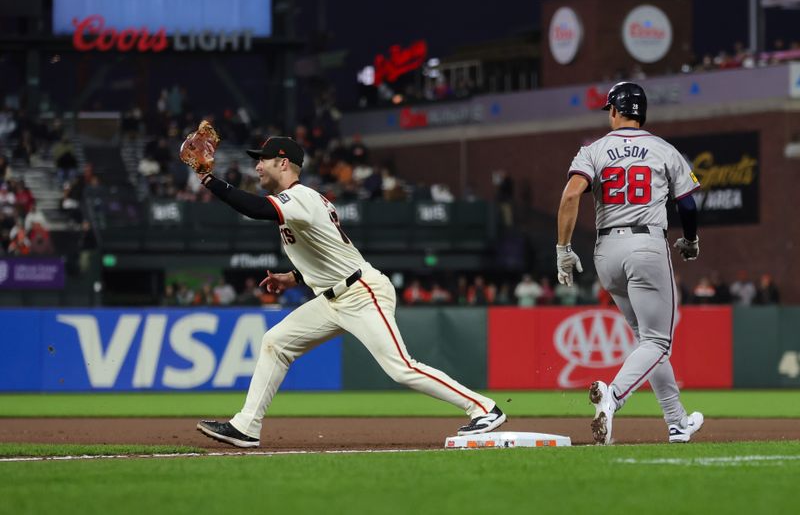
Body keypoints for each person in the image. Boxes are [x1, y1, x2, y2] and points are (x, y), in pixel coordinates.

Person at [193, 136, 505, 448]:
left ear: (284, 163)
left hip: (360, 292)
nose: (257, 166)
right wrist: (294, 276)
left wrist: (209, 179)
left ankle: (484, 409)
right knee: (276, 342)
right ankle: (247, 425)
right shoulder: (299, 201)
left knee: (401, 368)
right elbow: (327, 252)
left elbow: (256, 209)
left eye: (263, 159)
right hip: (332, 298)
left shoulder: (300, 196)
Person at [555, 82, 704, 445]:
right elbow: (687, 204)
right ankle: (614, 395)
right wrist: (690, 239)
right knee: (657, 342)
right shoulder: (664, 149)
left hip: (606, 251)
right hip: (646, 244)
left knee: (646, 341)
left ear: (614, 111)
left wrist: (563, 248)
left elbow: (572, 194)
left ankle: (677, 421)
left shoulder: (594, 149)